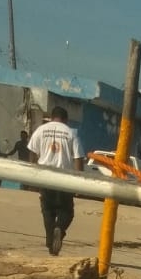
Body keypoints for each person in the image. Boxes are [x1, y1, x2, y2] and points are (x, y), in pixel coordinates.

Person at [26, 106, 84, 254]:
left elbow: (32, 153)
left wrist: (33, 175)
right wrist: (79, 182)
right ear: (66, 119)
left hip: (45, 176)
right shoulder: (70, 133)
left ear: (51, 117)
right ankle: (59, 229)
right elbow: (78, 159)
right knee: (67, 211)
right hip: (64, 178)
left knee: (47, 210)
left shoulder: (40, 130)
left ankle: (50, 243)